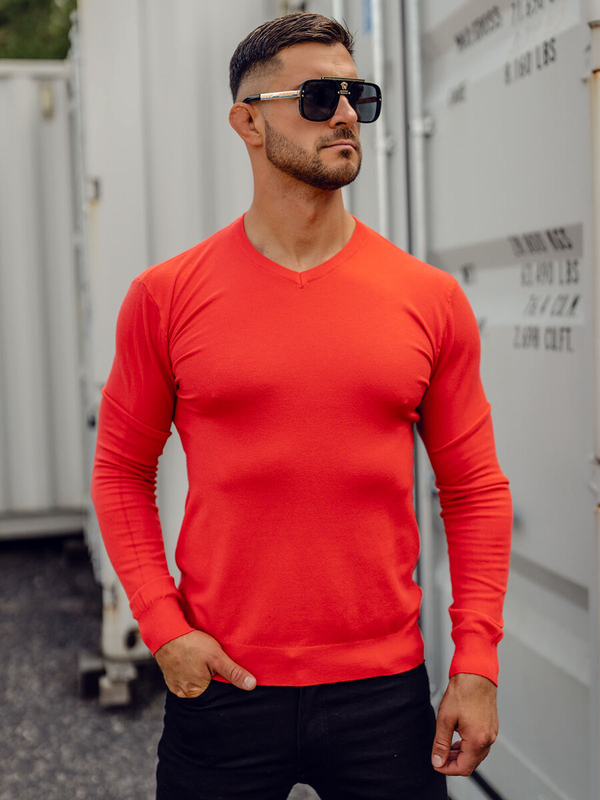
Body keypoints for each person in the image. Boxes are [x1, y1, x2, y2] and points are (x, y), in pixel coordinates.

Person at [90, 12, 512, 800]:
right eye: (319, 97)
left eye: (358, 95)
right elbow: (120, 472)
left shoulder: (429, 298)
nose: (346, 113)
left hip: (384, 694)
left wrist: (477, 659)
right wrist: (164, 628)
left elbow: (475, 489)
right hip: (221, 683)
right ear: (247, 122)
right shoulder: (165, 296)